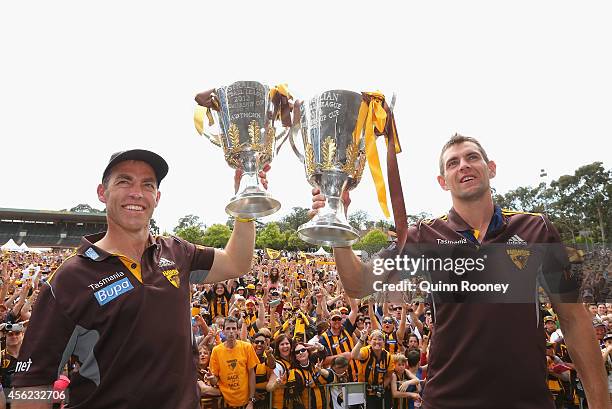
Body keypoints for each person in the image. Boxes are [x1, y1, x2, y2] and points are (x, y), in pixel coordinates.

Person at [311, 134, 608, 408]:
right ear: (443, 181)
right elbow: (358, 284)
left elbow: (574, 320)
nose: (463, 165)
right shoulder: (423, 236)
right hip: (447, 400)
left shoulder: (536, 228)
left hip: (527, 400)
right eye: (453, 163)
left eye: (472, 157)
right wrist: (338, 222)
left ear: (491, 168)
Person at [11, 149, 266, 409]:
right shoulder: (70, 278)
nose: (137, 193)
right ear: (102, 192)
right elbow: (30, 384)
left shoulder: (177, 251)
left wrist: (245, 205)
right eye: (124, 181)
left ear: (157, 197)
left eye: (148, 184)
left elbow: (237, 262)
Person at [208, 317, 259, 409]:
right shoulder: (216, 351)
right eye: (228, 328)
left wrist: (251, 401)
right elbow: (215, 379)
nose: (231, 331)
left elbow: (251, 374)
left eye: (233, 328)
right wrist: (211, 378)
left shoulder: (247, 347)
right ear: (223, 331)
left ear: (238, 331)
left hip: (245, 402)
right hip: (225, 401)